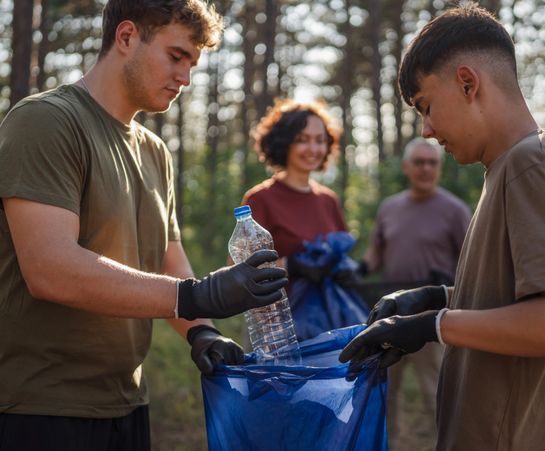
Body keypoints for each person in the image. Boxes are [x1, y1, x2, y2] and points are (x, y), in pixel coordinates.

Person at [0, 1, 288, 450]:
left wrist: (200, 330)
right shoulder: (46, 121)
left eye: (192, 64)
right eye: (176, 56)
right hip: (40, 408)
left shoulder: (155, 152)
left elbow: (168, 259)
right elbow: (49, 268)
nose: (186, 78)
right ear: (127, 37)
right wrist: (198, 294)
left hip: (128, 402)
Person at [340, 3, 545, 451]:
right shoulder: (513, 167)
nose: (426, 130)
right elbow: (521, 301)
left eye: (426, 106)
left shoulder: (533, 163)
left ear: (467, 82)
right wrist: (437, 299)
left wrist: (434, 325)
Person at [362, 137, 470, 450]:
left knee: (437, 393)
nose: (426, 168)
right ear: (407, 167)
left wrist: (446, 282)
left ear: (439, 167)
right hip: (389, 318)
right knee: (385, 393)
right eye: (419, 162)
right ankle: (388, 445)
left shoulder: (455, 210)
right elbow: (375, 255)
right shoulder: (390, 208)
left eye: (432, 162)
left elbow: (473, 262)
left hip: (432, 320)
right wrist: (357, 269)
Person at [241, 98, 367, 341]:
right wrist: (292, 265)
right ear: (284, 142)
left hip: (329, 325)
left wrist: (343, 270)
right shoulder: (260, 199)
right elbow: (240, 271)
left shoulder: (328, 200)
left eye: (320, 140)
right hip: (276, 327)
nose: (313, 149)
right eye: (302, 140)